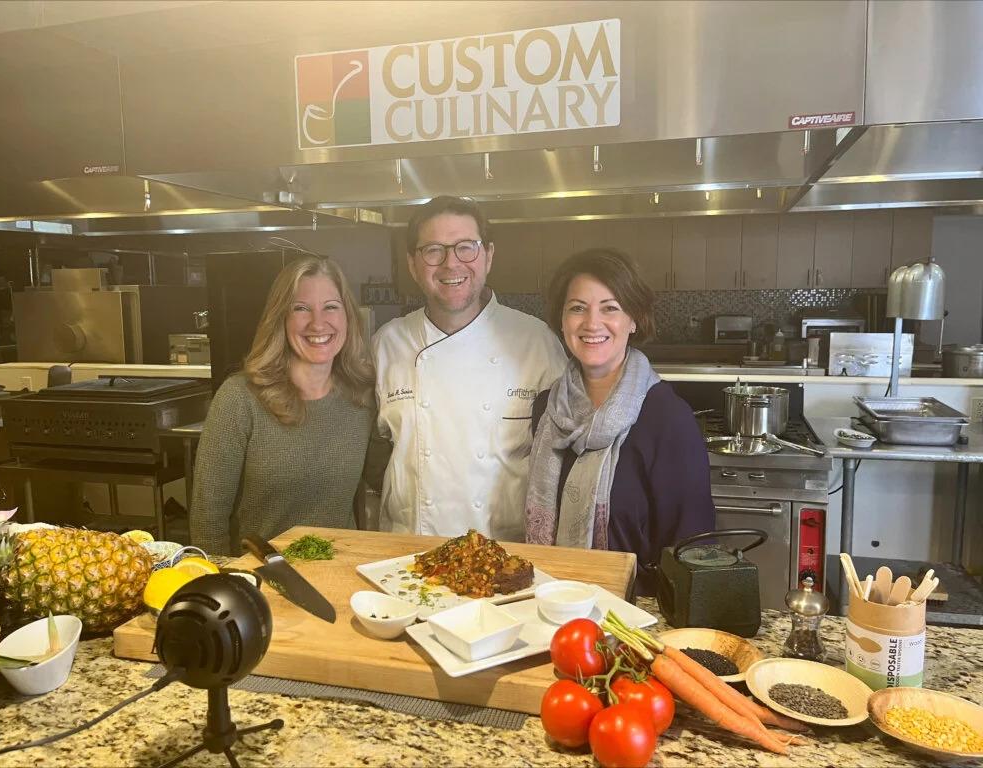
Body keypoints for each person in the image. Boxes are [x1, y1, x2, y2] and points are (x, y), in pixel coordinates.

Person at [373, 196, 567, 542]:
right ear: (413, 265)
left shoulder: (535, 342)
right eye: (433, 250)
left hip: (506, 553)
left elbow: (562, 456)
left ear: (488, 256)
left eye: (466, 247)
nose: (451, 263)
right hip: (408, 551)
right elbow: (370, 452)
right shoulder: (386, 344)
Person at [525, 248, 715, 595]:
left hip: (636, 619)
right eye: (577, 308)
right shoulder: (546, 410)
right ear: (561, 321)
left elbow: (692, 551)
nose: (592, 323)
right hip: (551, 605)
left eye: (610, 308)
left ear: (634, 319)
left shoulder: (667, 418)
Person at [190, 255, 376, 555]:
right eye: (301, 308)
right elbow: (207, 518)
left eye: (331, 307)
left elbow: (390, 477)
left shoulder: (362, 398)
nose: (318, 322)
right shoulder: (239, 399)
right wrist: (222, 589)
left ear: (348, 317)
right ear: (280, 318)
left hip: (342, 577)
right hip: (259, 583)